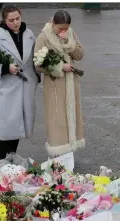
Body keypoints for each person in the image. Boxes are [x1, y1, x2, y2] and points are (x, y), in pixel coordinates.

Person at [0, 4, 40, 160]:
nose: (15, 22)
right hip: (5, 89)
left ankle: (12, 157)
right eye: (11, 20)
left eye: (18, 18)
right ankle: (1, 161)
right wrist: (6, 67)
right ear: (4, 20)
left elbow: (35, 59)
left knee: (17, 126)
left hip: (24, 87)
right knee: (4, 128)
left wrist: (36, 78)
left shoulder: (28, 34)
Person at [34, 10, 85, 159]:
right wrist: (59, 67)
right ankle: (57, 156)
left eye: (66, 28)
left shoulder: (71, 33)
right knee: (57, 120)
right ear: (53, 24)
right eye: (60, 28)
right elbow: (37, 64)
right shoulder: (44, 36)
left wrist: (69, 44)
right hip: (54, 86)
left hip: (71, 83)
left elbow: (80, 54)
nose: (63, 31)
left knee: (71, 116)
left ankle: (70, 156)